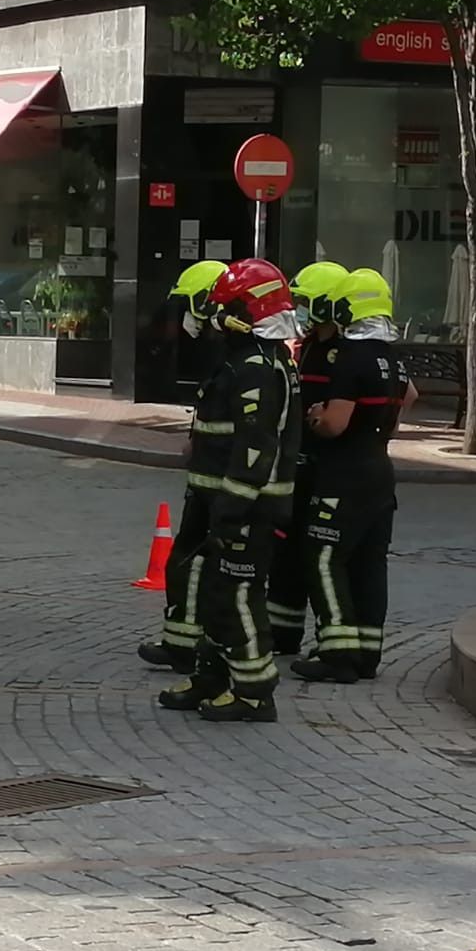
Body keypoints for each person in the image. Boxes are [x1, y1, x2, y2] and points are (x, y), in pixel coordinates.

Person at [157, 258, 301, 722]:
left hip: (243, 507)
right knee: (209, 593)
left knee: (235, 596)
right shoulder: (244, 360)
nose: (215, 314)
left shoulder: (259, 366)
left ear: (247, 309)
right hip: (215, 500)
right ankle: (212, 678)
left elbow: (256, 445)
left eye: (224, 305)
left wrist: (233, 506)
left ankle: (254, 692)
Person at [293, 269, 416, 683]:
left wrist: (315, 418)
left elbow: (335, 424)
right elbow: (409, 399)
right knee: (369, 562)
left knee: (323, 557)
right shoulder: (391, 358)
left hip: (342, 474)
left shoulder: (350, 358)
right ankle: (366, 652)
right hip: (380, 471)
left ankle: (338, 653)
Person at [138, 260, 227, 674]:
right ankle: (181, 644)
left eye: (191, 306)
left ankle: (189, 648)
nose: (186, 318)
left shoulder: (230, 356)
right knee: (185, 563)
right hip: (210, 481)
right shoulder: (220, 353)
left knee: (194, 565)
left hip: (223, 486)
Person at [267, 261, 350, 656]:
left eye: (303, 301)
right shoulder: (310, 348)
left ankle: (334, 642)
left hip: (328, 469)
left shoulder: (344, 353)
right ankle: (282, 632)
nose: (299, 308)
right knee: (285, 551)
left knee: (320, 557)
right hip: (299, 466)